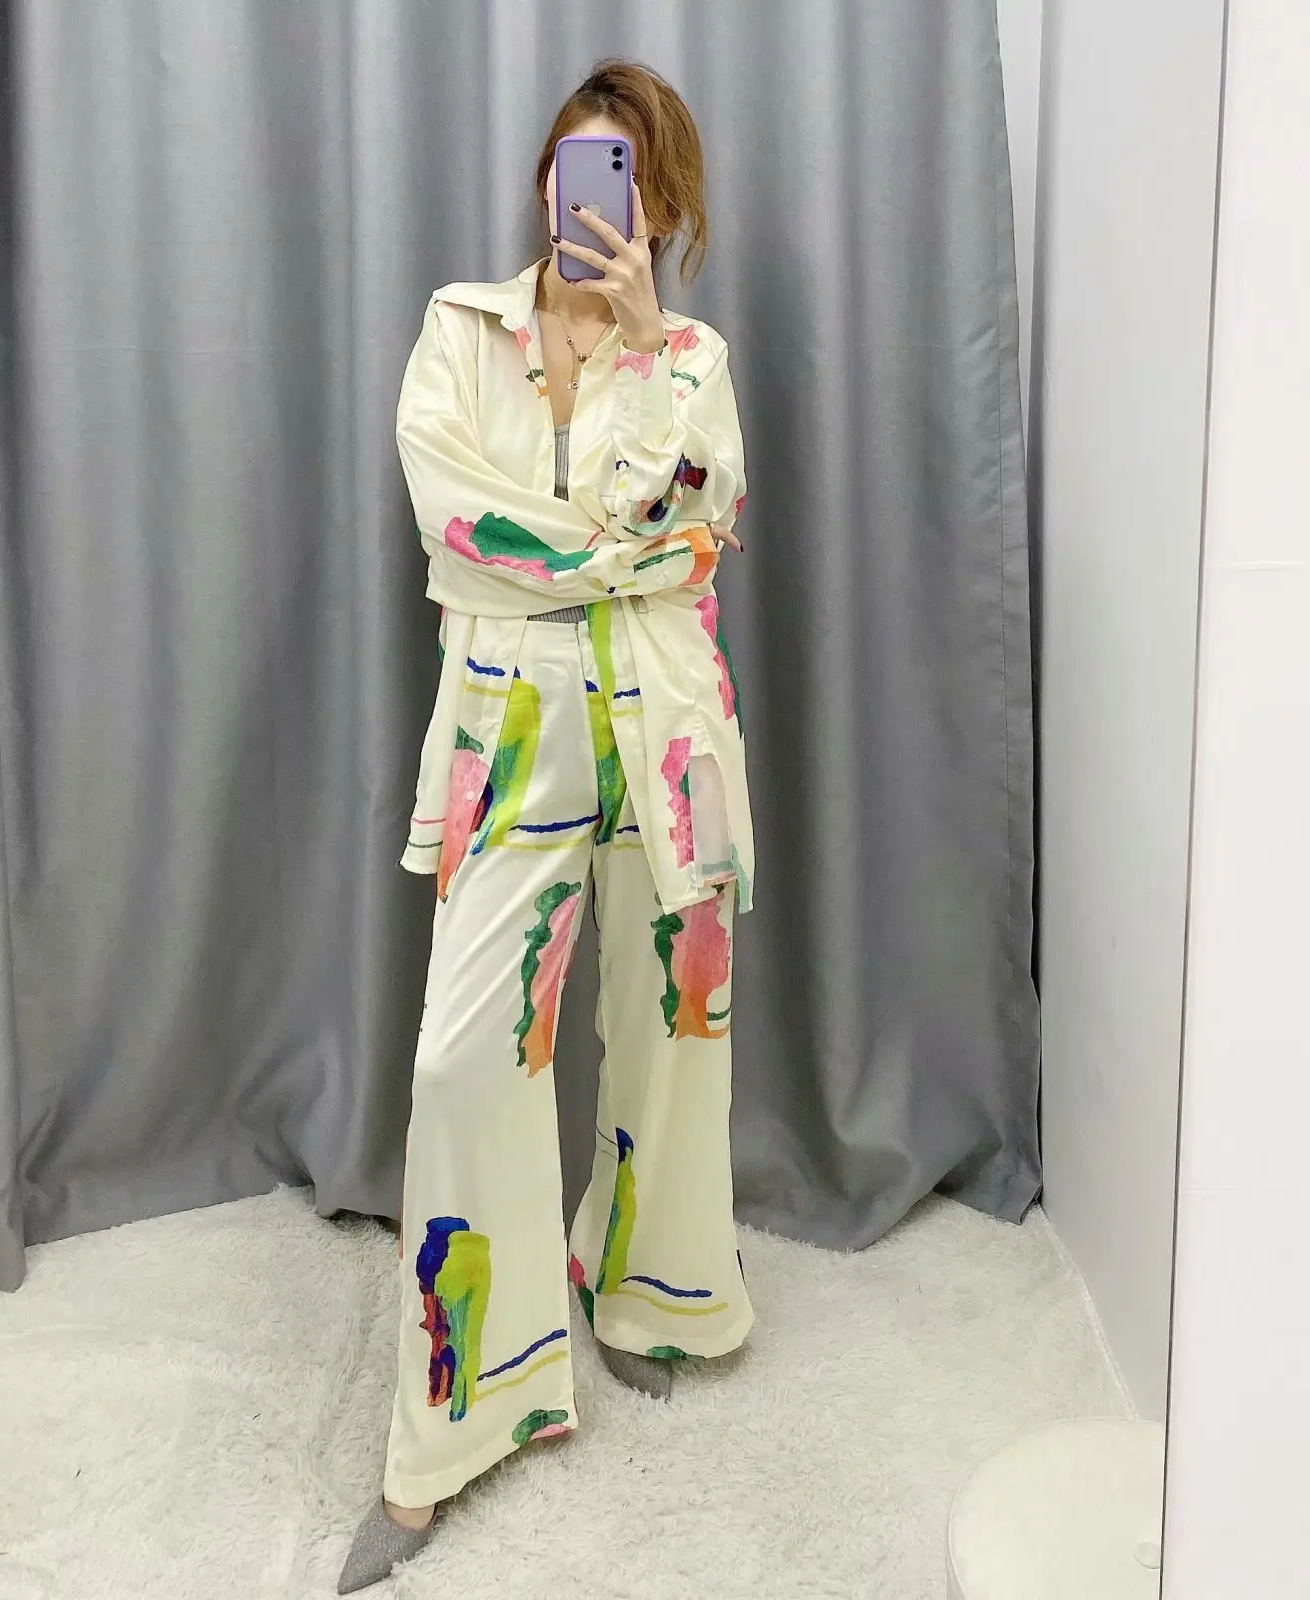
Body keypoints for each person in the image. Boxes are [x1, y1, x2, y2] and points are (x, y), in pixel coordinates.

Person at [340, 58, 755, 1592]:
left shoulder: (691, 356)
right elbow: (454, 526)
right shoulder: (460, 331)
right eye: (576, 164)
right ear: (544, 180)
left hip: (669, 731)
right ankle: (457, 1418)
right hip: (510, 729)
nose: (594, 199)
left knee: (672, 1034)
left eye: (626, 176)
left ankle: (643, 1288)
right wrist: (626, 552)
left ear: (661, 204)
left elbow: (707, 523)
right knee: (466, 1058)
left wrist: (643, 351)